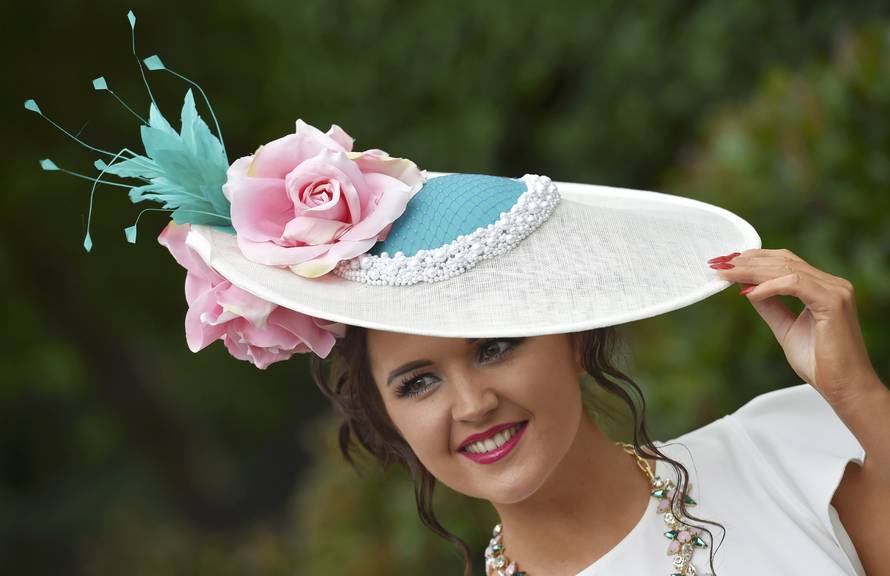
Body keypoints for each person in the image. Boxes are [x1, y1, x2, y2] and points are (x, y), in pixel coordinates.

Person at [27, 12, 888, 575]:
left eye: (494, 346)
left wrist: (853, 395)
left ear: (571, 335)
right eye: (417, 381)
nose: (472, 402)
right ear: (385, 421)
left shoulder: (787, 460)